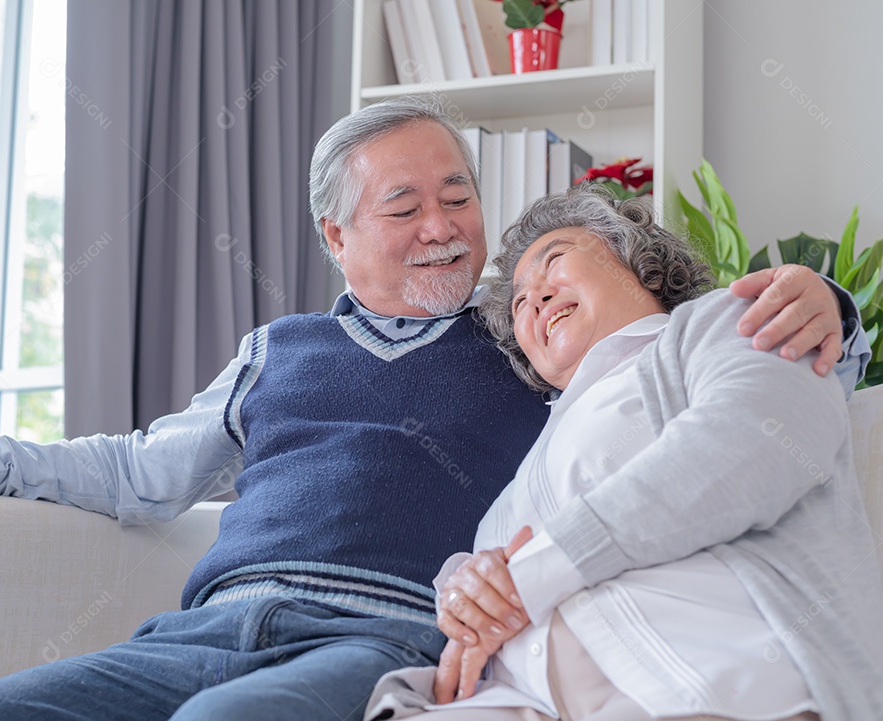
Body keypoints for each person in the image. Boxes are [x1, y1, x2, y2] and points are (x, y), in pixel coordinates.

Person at [0, 98, 869, 721]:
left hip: (377, 639)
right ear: (337, 233)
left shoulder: (527, 343)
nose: (443, 227)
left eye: (459, 197)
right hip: (203, 626)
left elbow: (683, 361)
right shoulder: (278, 351)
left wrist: (837, 309)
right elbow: (134, 471)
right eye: (404, 206)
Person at [365, 187, 882, 721]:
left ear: (640, 265)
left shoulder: (720, 326)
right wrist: (465, 592)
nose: (535, 296)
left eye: (556, 260)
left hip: (722, 692)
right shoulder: (517, 484)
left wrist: (538, 571)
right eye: (519, 301)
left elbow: (754, 444)